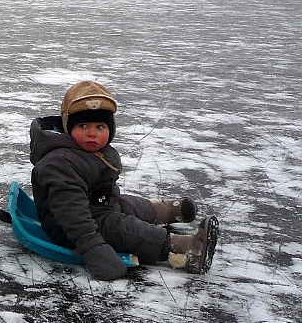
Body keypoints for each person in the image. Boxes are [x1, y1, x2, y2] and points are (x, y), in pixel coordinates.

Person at [29, 80, 219, 280]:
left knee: (126, 203)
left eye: (100, 126)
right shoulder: (60, 163)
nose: (92, 133)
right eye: (83, 125)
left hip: (97, 206)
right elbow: (71, 213)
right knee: (125, 228)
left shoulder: (84, 150)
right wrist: (91, 245)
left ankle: (166, 211)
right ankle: (186, 249)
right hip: (71, 227)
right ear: (68, 128)